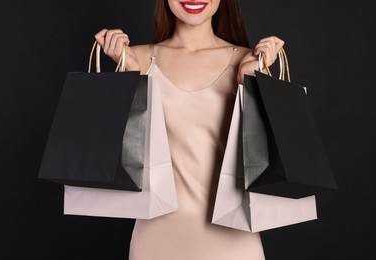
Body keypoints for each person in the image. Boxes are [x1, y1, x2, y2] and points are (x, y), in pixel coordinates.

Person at [95, 1, 284, 259]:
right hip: (156, 241)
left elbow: (265, 159)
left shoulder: (248, 60)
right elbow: (116, 155)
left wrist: (249, 81)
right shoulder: (134, 59)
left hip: (234, 241)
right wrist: (128, 76)